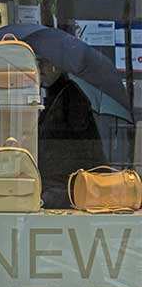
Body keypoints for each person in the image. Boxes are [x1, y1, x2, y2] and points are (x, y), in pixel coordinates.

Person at [37, 58, 106, 209]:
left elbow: (74, 136)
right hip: (61, 178)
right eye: (38, 62)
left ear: (59, 67)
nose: (40, 67)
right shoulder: (55, 94)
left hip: (69, 180)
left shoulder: (70, 95)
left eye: (46, 62)